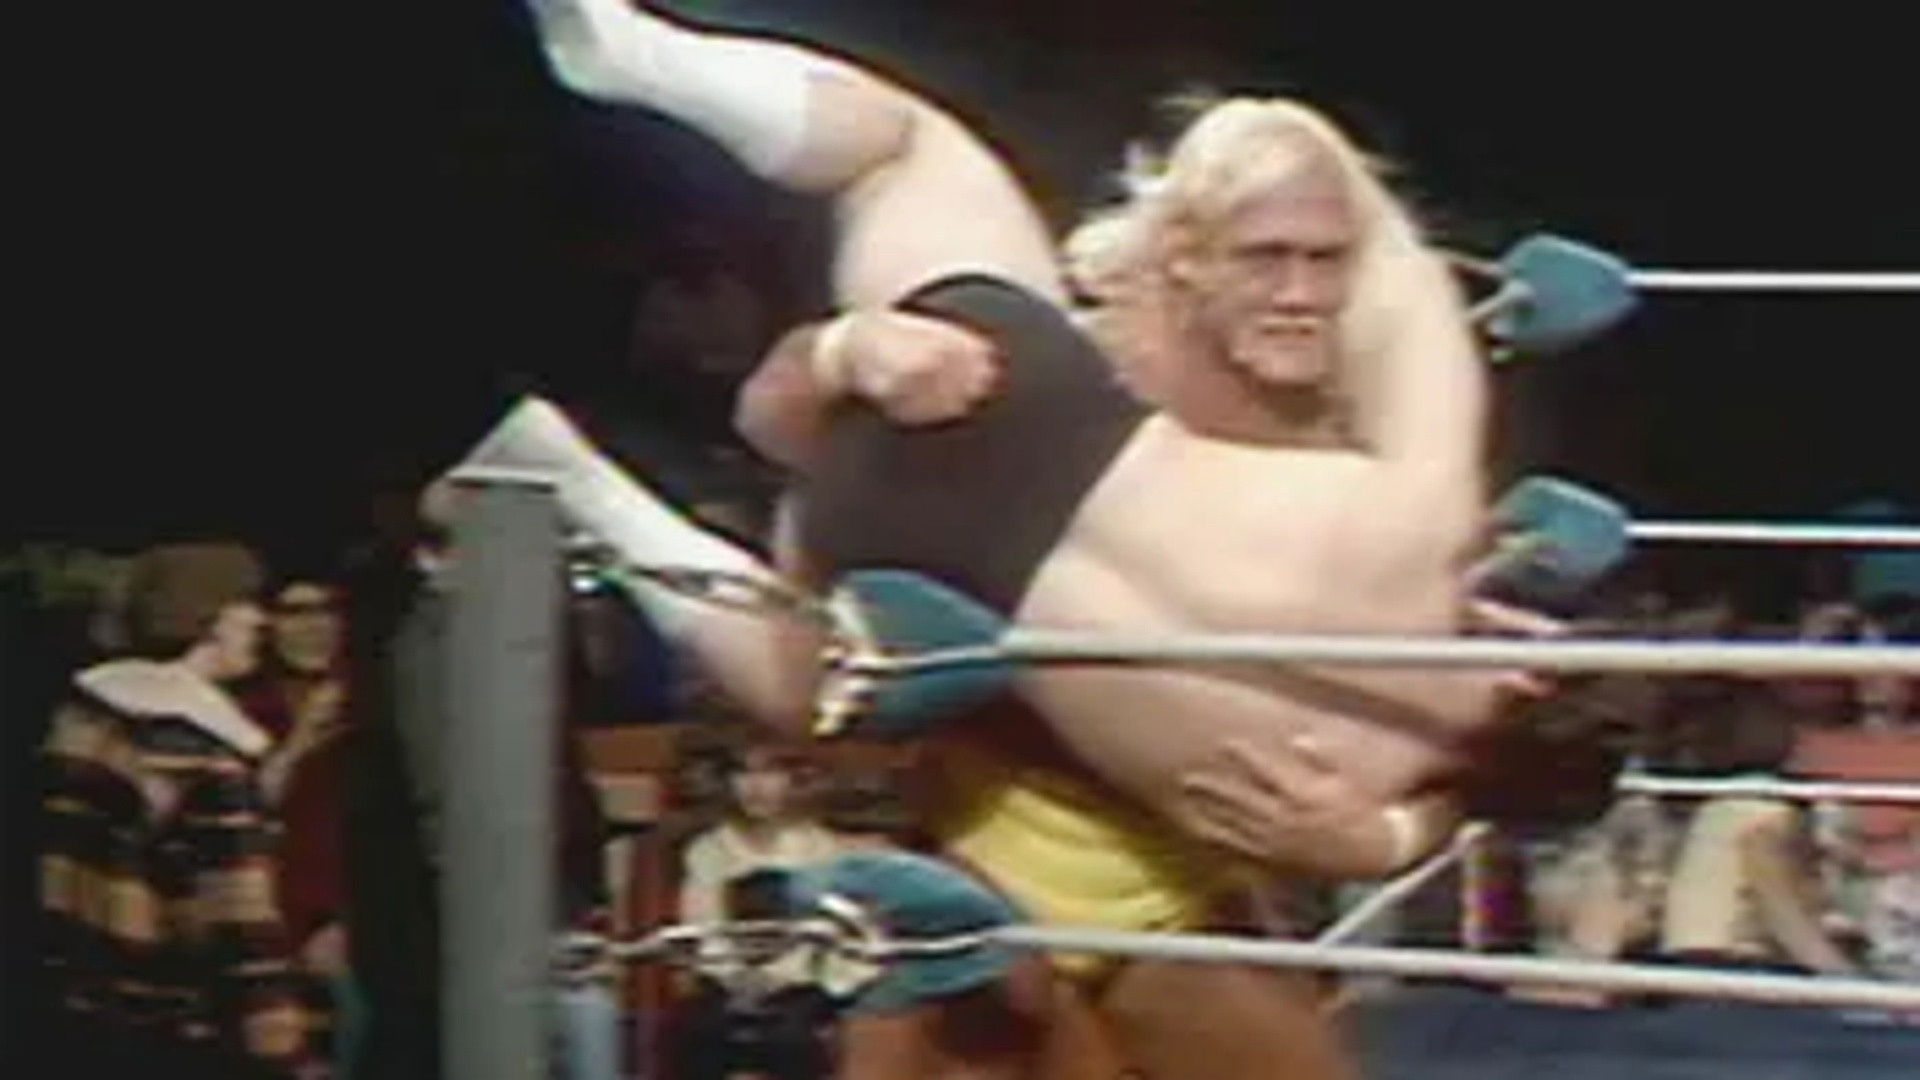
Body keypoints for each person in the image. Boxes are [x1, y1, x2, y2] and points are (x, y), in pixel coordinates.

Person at [438, 4, 1535, 1077]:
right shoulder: (1111, 353)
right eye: (1266, 257)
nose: (1298, 293)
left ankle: (558, 464)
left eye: (1323, 261)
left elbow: (1488, 754)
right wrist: (846, 352)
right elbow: (768, 421)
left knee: (804, 680)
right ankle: (628, 63)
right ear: (1186, 261)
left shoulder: (1373, 455)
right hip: (1017, 807)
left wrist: (1380, 838)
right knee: (907, 161)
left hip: (1090, 810)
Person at [38, 541, 319, 1078]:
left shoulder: (83, 724)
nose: (259, 620)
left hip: (86, 1012)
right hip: (180, 1029)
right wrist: (285, 1054)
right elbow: (239, 923)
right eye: (243, 603)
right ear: (204, 617)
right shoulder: (201, 756)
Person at [675, 740, 846, 1080]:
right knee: (703, 1034)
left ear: (795, 779)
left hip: (800, 981)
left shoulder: (824, 851)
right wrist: (734, 976)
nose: (756, 787)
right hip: (727, 981)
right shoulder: (708, 849)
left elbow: (824, 933)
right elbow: (701, 928)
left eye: (770, 772)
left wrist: (777, 977)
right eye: (743, 773)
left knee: (789, 1038)